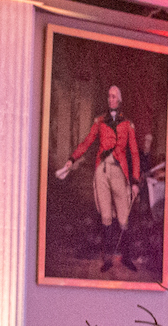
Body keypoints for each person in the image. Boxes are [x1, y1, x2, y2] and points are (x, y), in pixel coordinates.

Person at [56, 84, 140, 273]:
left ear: (119, 100)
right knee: (106, 217)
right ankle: (108, 259)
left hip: (119, 171)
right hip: (102, 171)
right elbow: (87, 142)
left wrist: (135, 181)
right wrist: (72, 159)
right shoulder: (100, 121)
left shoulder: (127, 124)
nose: (111, 99)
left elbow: (134, 152)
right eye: (109, 96)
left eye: (114, 96)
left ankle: (126, 257)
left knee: (124, 217)